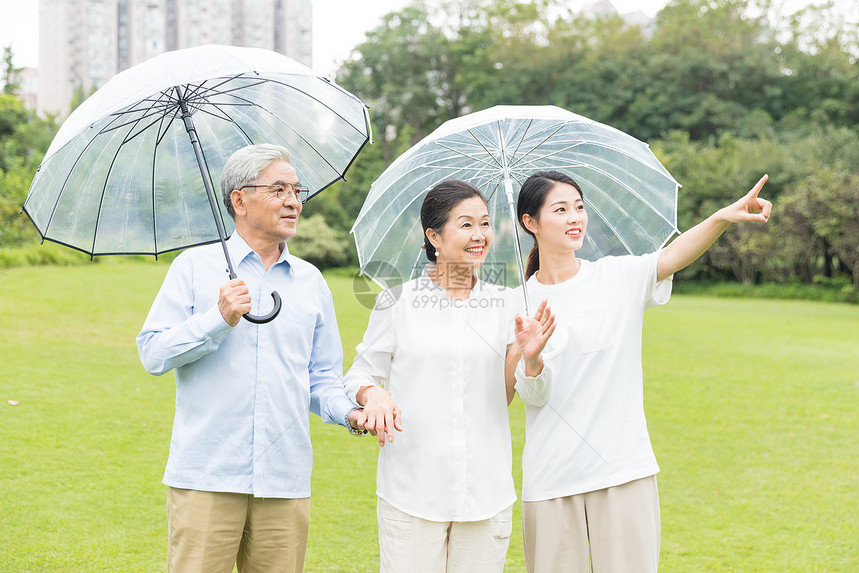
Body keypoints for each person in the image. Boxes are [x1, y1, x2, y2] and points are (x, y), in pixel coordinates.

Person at [136, 144, 393, 573]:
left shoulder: (311, 283)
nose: (293, 201)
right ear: (239, 200)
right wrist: (217, 319)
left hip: (285, 480)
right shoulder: (194, 268)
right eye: (278, 189)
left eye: (297, 190)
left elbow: (322, 380)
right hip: (207, 478)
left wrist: (351, 412)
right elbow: (154, 353)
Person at [514, 170, 772, 572]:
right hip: (550, 482)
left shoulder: (616, 277)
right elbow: (531, 396)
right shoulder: (518, 303)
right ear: (530, 223)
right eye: (560, 210)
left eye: (579, 208)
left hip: (622, 473)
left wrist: (721, 217)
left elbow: (672, 256)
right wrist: (532, 358)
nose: (574, 218)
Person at [343, 179, 556, 573]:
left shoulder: (506, 304)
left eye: (485, 223)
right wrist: (372, 394)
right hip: (412, 491)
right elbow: (361, 371)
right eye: (466, 224)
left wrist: (527, 356)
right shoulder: (399, 301)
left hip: (485, 491)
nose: (480, 236)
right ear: (434, 236)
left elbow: (508, 394)